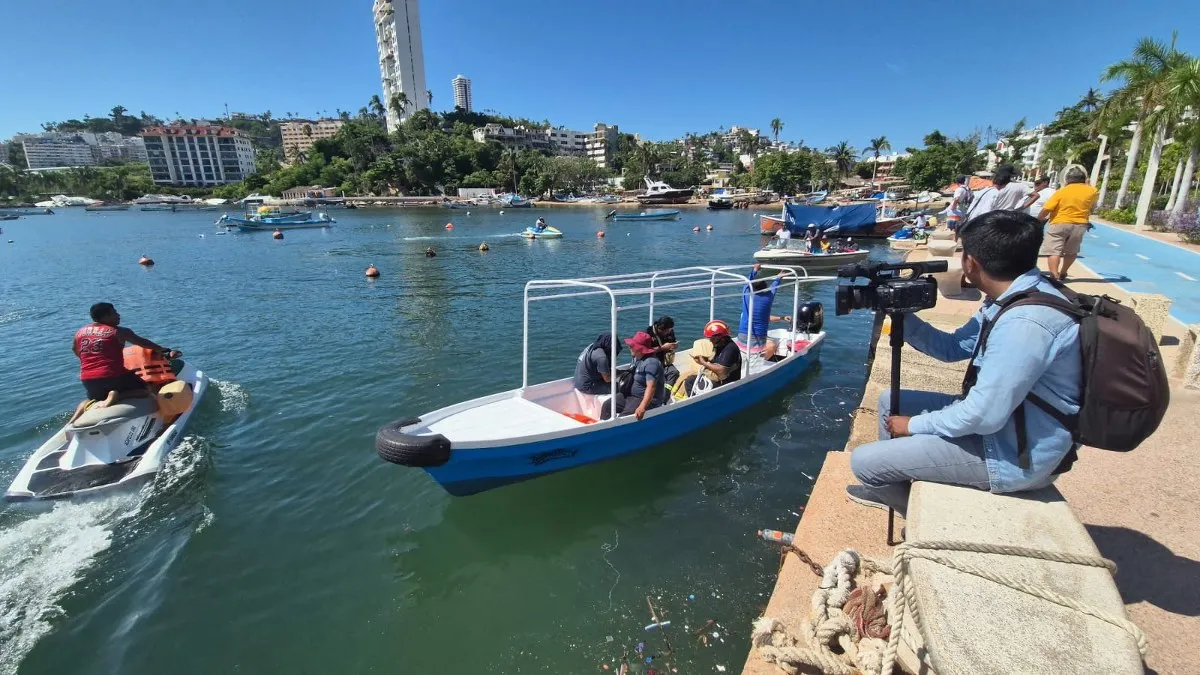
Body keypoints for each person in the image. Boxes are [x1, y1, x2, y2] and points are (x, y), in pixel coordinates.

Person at [846, 210, 1082, 515]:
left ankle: (920, 516)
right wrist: (899, 310)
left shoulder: (1025, 323)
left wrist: (914, 425)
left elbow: (984, 416)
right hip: (1012, 424)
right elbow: (952, 347)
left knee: (863, 461)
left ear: (972, 263)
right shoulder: (1014, 297)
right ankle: (893, 482)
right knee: (891, 400)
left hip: (1014, 455)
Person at [71, 303, 180, 422]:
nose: (118, 315)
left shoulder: (80, 332)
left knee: (95, 399)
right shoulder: (119, 331)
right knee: (146, 390)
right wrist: (165, 350)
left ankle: (76, 416)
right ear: (105, 316)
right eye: (114, 313)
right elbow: (143, 342)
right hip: (112, 376)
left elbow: (75, 350)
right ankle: (118, 396)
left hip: (88, 380)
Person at [1039, 167, 1098, 281]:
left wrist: (1039, 219)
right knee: (1072, 251)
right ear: (1084, 179)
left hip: (1059, 223)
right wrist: (1088, 183)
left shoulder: (1061, 191)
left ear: (1067, 180)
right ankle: (1063, 272)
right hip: (1080, 224)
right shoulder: (1092, 191)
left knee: (1054, 250)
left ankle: (1054, 274)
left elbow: (1047, 208)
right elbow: (1093, 198)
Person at [739, 264, 792, 361]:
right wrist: (778, 277)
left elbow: (747, 282)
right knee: (772, 345)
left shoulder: (746, 294)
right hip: (758, 341)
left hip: (741, 340)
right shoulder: (768, 298)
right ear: (764, 288)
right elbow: (774, 287)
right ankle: (760, 362)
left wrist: (755, 269)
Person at [682, 319, 743, 394]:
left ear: (721, 337)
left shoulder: (730, 349)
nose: (710, 340)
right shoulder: (720, 345)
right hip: (718, 378)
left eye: (713, 338)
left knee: (690, 382)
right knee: (688, 377)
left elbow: (722, 371)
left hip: (726, 383)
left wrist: (703, 362)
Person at [621, 332, 667, 420]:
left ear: (640, 349)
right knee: (608, 405)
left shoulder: (651, 363)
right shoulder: (637, 359)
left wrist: (642, 406)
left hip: (645, 399)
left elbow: (651, 387)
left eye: (632, 346)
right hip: (631, 396)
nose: (630, 347)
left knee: (625, 415)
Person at [965, 165, 1031, 223]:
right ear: (1006, 184)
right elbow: (986, 211)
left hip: (971, 219)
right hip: (981, 222)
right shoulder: (995, 193)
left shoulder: (984, 190)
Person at [646, 316, 679, 386]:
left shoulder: (670, 332)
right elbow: (646, 352)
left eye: (670, 330)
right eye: (667, 331)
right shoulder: (649, 334)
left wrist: (674, 345)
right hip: (653, 361)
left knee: (675, 372)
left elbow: (673, 341)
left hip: (665, 361)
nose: (669, 332)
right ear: (660, 329)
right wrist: (662, 348)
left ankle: (667, 391)